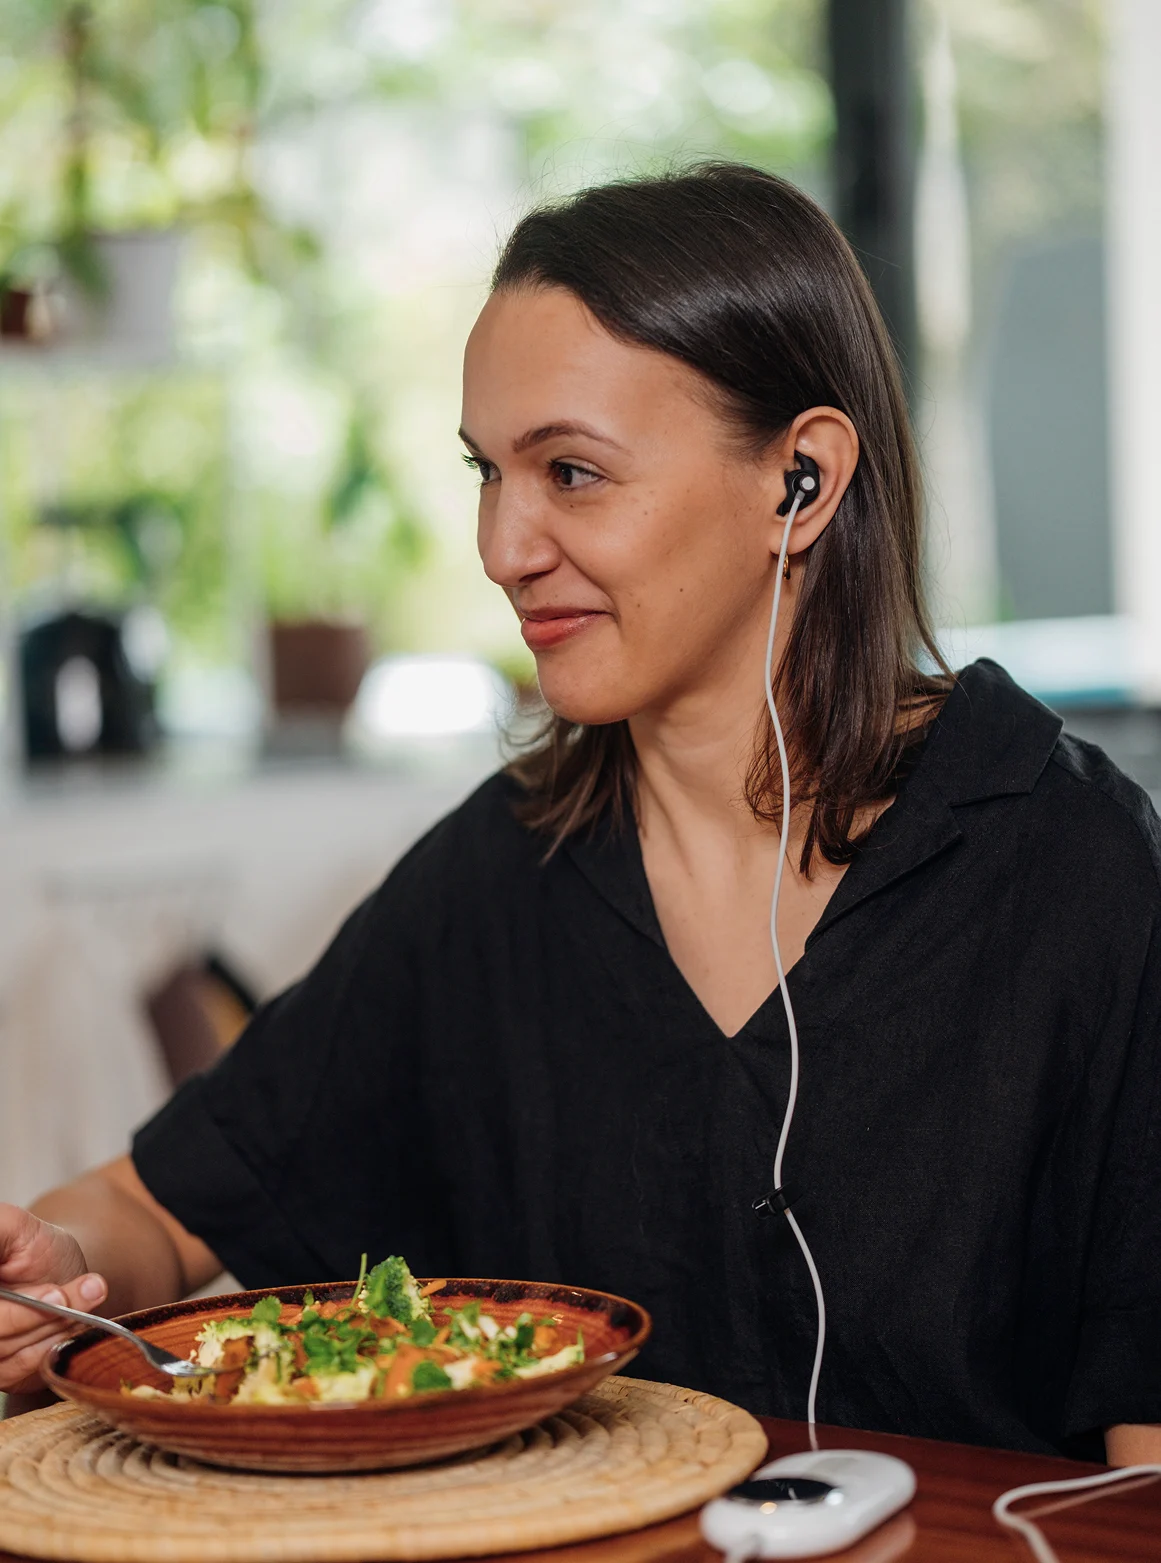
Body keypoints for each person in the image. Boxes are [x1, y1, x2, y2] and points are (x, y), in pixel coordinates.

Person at [2, 164, 1159, 1466]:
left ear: (803, 480)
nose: (503, 545)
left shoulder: (1079, 875)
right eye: (486, 472)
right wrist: (52, 1268)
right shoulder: (498, 876)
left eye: (570, 471)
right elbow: (149, 1208)